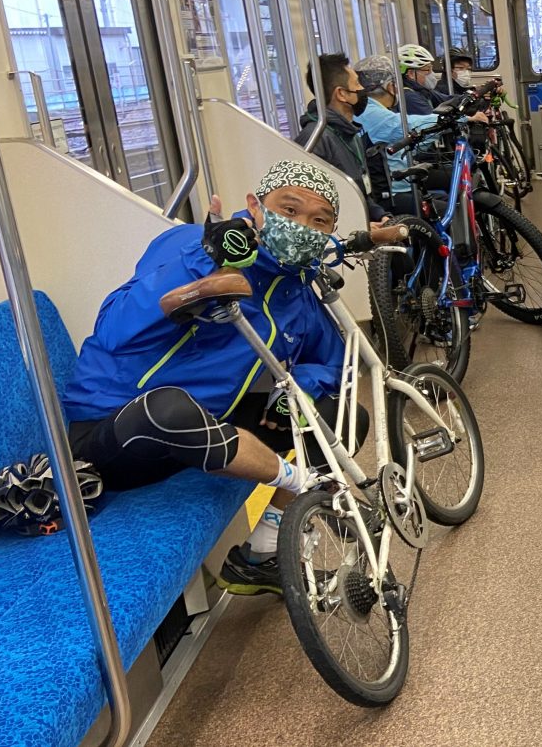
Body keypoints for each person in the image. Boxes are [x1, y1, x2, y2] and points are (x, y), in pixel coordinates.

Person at [62, 161, 403, 595]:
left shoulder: (295, 288)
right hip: (119, 427)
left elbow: (334, 364)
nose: (301, 227)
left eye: (319, 221)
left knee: (340, 418)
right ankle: (303, 485)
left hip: (214, 418)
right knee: (167, 407)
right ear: (254, 207)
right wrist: (205, 261)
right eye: (289, 210)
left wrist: (296, 391)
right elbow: (113, 328)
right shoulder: (189, 245)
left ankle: (262, 555)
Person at [353, 54, 488, 215]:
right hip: (395, 191)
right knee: (456, 213)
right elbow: (413, 124)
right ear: (390, 87)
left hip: (395, 181)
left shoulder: (368, 109)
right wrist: (462, 118)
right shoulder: (374, 113)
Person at [295, 52, 386, 222]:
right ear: (341, 94)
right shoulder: (315, 139)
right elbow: (312, 208)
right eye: (357, 84)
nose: (361, 89)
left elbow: (362, 192)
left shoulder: (351, 133)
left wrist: (381, 216)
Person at [398, 43, 448, 114]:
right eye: (428, 69)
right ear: (411, 74)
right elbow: (432, 121)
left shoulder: (422, 90)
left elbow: (448, 99)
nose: (432, 73)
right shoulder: (410, 97)